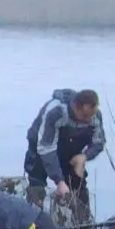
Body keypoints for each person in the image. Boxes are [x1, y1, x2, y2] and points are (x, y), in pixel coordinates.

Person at [24, 88, 104, 221]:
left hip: (71, 150)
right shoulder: (56, 112)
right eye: (85, 116)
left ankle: (82, 228)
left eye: (91, 116)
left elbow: (99, 142)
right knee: (37, 185)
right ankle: (34, 224)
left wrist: (84, 157)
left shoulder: (94, 115)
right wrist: (59, 180)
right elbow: (46, 147)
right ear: (76, 107)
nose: (88, 120)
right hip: (41, 148)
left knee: (78, 187)